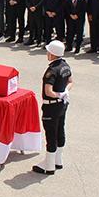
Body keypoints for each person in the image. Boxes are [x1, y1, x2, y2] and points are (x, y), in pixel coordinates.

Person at [33, 40, 73, 175]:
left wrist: (58, 95)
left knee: (50, 134)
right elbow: (71, 81)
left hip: (51, 106)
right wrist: (64, 93)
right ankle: (58, 160)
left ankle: (49, 166)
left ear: (52, 54)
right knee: (60, 130)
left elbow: (48, 91)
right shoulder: (65, 65)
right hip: (62, 104)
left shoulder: (52, 71)